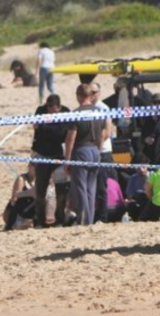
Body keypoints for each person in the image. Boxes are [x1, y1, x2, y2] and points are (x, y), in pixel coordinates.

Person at [63, 83, 105, 226]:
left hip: (81, 150)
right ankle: (90, 219)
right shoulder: (99, 112)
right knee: (91, 188)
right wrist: (98, 151)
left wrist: (67, 159)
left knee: (81, 187)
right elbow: (103, 134)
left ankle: (85, 221)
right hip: (95, 150)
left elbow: (71, 138)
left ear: (79, 96)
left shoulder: (76, 113)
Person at [31, 94, 70, 227]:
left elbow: (61, 134)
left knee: (61, 191)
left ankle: (60, 220)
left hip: (60, 156)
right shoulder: (40, 110)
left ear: (58, 107)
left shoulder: (65, 112)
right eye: (48, 108)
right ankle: (40, 221)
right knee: (40, 190)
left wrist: (44, 127)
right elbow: (36, 128)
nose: (49, 112)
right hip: (42, 155)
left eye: (52, 109)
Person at [90, 81, 114, 223]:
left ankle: (102, 217)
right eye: (90, 92)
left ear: (99, 93)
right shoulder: (88, 108)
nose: (92, 95)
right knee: (91, 185)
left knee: (101, 186)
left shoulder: (102, 108)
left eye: (94, 92)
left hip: (102, 151)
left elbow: (106, 133)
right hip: (91, 150)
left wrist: (96, 150)